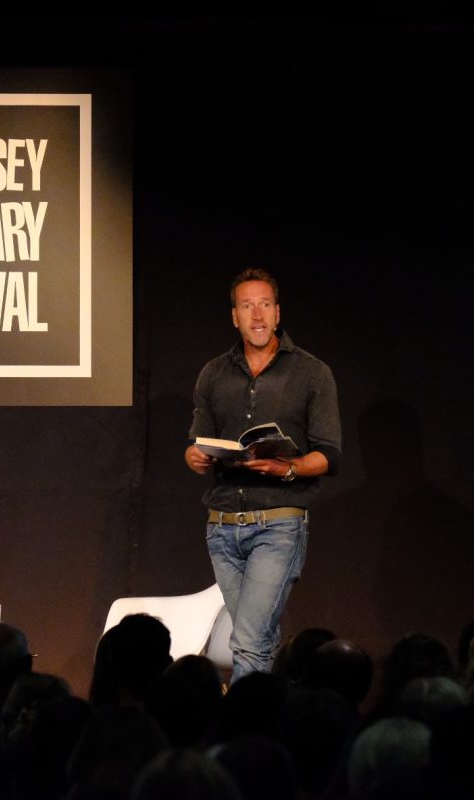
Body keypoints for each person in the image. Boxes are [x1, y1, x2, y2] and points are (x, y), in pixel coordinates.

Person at [185, 268, 341, 682]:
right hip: (222, 529)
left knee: (248, 641)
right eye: (247, 306)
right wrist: (194, 456)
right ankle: (275, 725)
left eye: (265, 305)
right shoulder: (213, 374)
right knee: (260, 640)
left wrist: (285, 466)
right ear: (234, 316)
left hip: (278, 525)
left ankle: (238, 736)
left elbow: (328, 456)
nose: (257, 315)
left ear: (277, 313)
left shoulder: (311, 373)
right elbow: (196, 440)